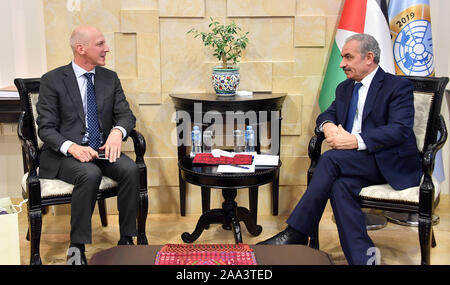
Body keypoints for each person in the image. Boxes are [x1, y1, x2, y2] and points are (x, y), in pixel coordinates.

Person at [257, 33, 422, 265]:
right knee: (339, 186)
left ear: (369, 58)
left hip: (388, 162)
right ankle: (364, 259)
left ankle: (296, 232)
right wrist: (328, 126)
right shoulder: (345, 88)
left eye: (348, 57)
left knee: (331, 159)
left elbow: (399, 130)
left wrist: (355, 141)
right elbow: (328, 113)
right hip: (355, 162)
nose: (341, 63)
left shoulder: (397, 86)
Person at [37, 26, 140, 265]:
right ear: (80, 48)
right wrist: (72, 147)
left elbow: (126, 115)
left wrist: (117, 131)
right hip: (65, 156)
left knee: (130, 169)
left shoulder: (109, 78)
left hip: (101, 150)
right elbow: (46, 129)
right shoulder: (52, 80)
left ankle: (127, 240)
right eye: (100, 44)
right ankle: (77, 247)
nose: (107, 49)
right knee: (89, 173)